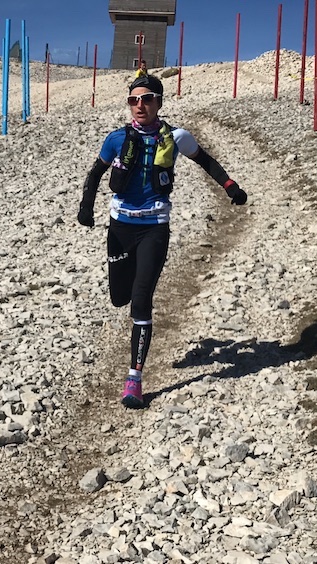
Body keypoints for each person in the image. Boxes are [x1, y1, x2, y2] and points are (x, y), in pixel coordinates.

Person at [77, 75, 248, 408]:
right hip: (119, 227)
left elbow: (206, 160)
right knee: (119, 298)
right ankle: (132, 316)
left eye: (148, 98)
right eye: (134, 100)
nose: (140, 105)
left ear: (159, 103)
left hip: (155, 227)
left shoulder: (176, 137)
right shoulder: (115, 139)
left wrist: (230, 186)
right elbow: (95, 172)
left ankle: (134, 380)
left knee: (141, 302)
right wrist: (86, 206)